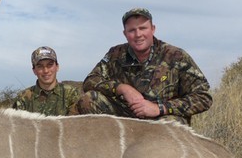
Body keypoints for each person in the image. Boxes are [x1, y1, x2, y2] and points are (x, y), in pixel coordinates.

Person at [77, 7, 212, 124]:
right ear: (125, 34)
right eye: (132, 30)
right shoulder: (115, 54)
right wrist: (121, 88)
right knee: (89, 100)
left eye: (143, 28)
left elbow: (203, 97)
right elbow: (90, 81)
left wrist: (159, 108)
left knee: (171, 123)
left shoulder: (176, 55)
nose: (138, 35)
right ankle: (109, 151)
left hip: (160, 119)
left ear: (153, 29)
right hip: (126, 118)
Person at [13, 46, 80, 116]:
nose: (46, 71)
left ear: (57, 67)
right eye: (40, 66)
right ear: (34, 71)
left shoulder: (72, 94)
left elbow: (75, 124)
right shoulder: (23, 98)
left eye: (50, 65)